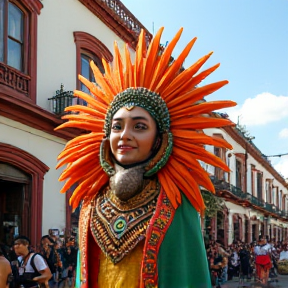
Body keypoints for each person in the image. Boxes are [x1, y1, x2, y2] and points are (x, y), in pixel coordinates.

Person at [56, 27, 236, 287]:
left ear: (159, 139)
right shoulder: (92, 203)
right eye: (117, 127)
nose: (124, 135)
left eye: (139, 127)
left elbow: (186, 275)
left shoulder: (176, 206)